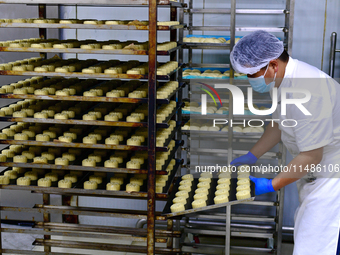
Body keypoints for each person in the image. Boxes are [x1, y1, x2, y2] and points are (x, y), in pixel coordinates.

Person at [229, 30, 340, 255]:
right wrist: (252, 155)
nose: (250, 80)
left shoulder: (309, 90)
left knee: (315, 246)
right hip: (315, 171)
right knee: (309, 235)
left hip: (331, 175)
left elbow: (312, 156)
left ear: (273, 65)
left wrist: (271, 185)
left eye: (252, 74)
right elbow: (279, 123)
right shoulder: (282, 80)